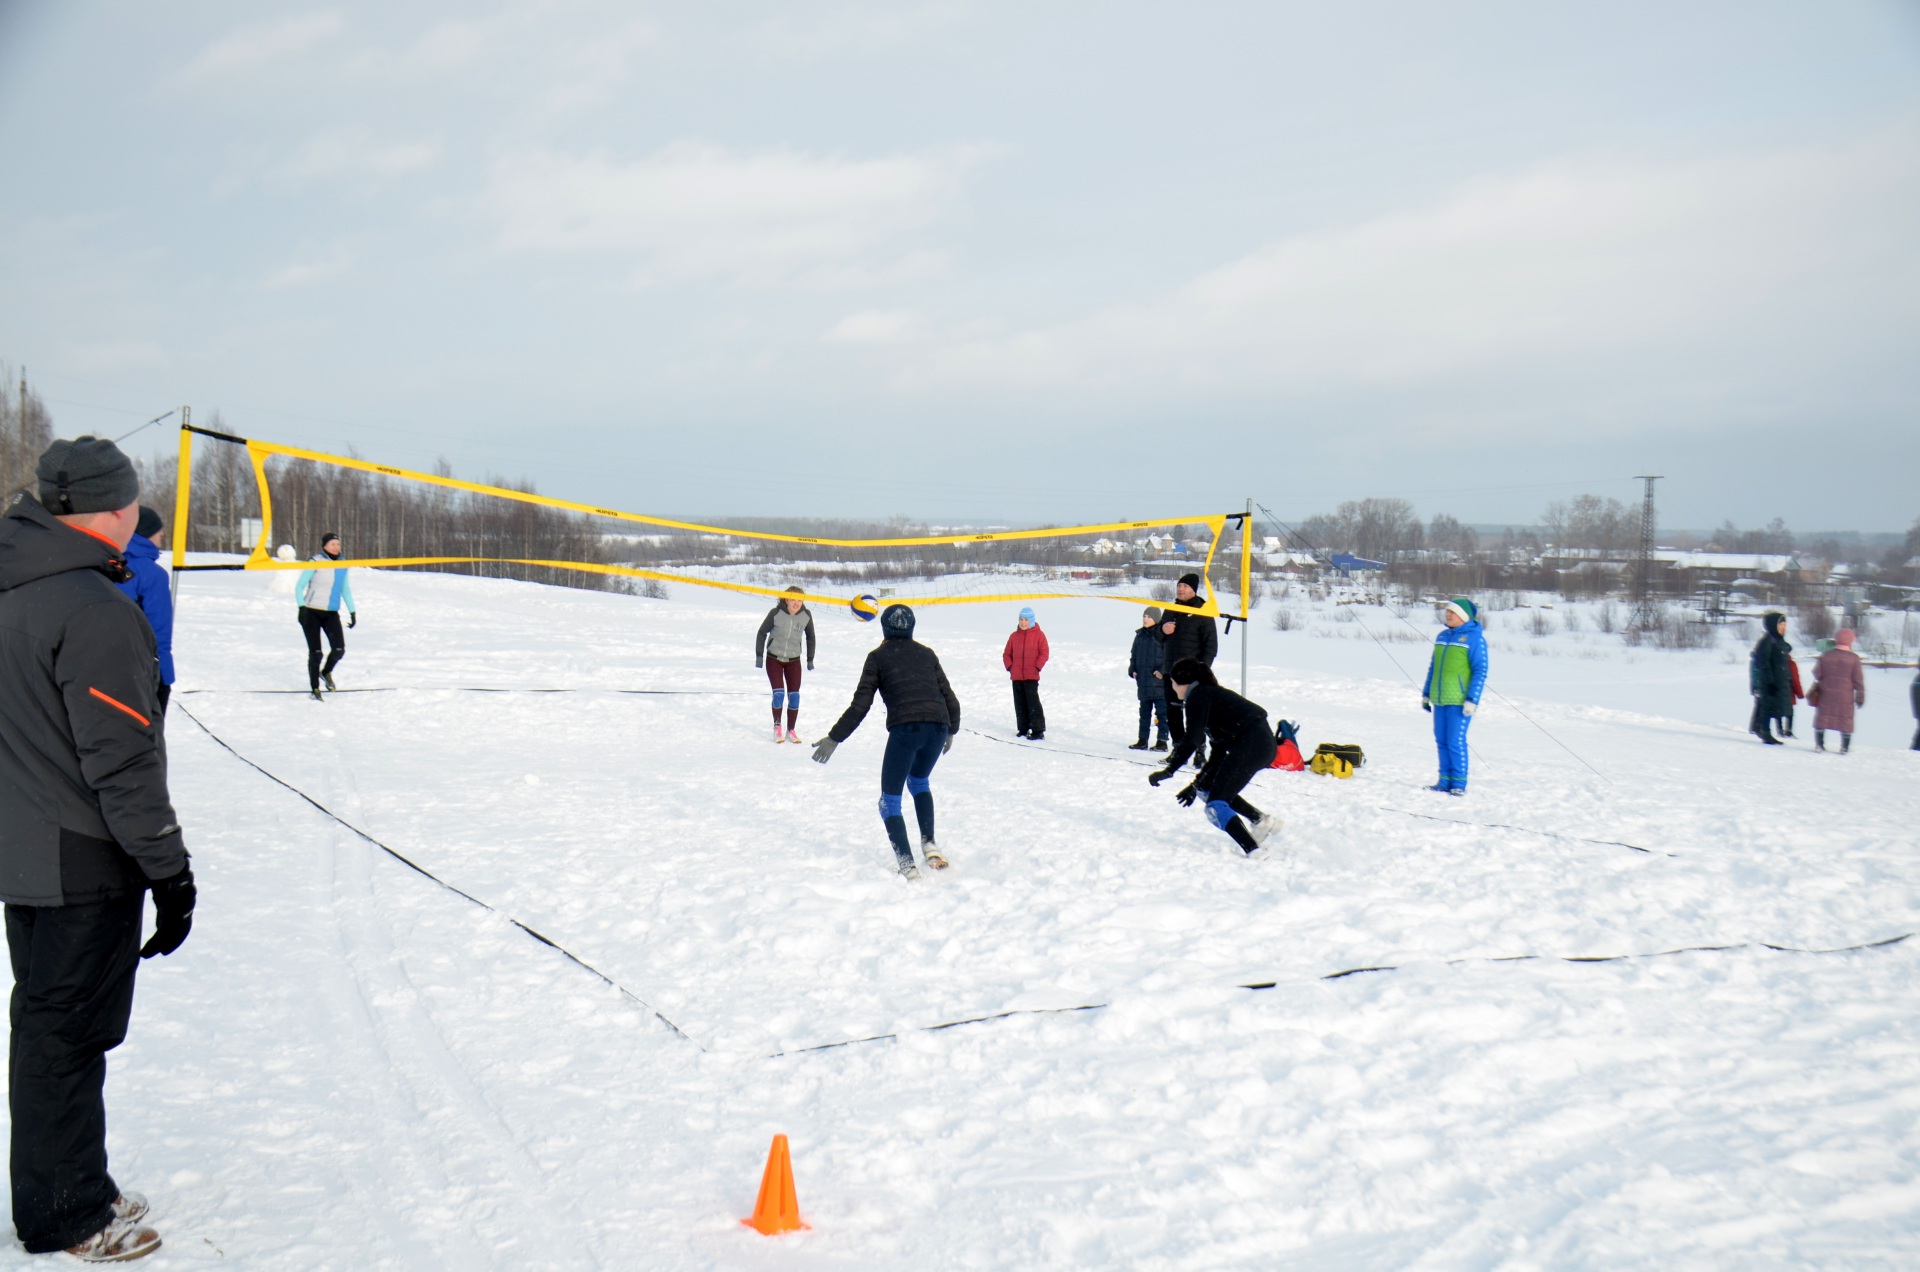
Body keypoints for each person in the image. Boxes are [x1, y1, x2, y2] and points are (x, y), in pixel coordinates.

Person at [0, 437, 194, 1263]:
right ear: (117, 509)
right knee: (64, 1035)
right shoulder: (92, 609)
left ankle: (80, 1181)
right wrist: (170, 871)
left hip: (25, 846)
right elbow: (121, 761)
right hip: (81, 855)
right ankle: (66, 1213)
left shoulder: (19, 580)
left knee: (52, 1024)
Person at [812, 604, 961, 879]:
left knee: (889, 802)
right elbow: (950, 697)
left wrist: (835, 737)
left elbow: (860, 705)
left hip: (907, 730)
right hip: (938, 727)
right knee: (919, 781)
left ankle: (908, 866)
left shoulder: (877, 657)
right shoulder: (927, 653)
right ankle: (929, 843)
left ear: (884, 629)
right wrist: (951, 730)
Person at [1147, 658, 1280, 858]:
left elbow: (1192, 739)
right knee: (1206, 788)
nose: (1172, 688)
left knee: (1216, 805)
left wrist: (1169, 770)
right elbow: (1217, 754)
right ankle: (1261, 821)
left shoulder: (1199, 696)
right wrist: (1195, 786)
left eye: (1172, 682)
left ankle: (1254, 851)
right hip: (1261, 746)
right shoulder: (1211, 697)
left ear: (1183, 682)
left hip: (1252, 745)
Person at [1422, 597, 1489, 794]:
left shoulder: (1474, 639)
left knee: (1455, 740)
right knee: (1441, 740)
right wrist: (1426, 693)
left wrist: (1472, 700)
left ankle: (1459, 783)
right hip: (1440, 698)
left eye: (1453, 612)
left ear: (1463, 616)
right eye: (1447, 611)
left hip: (1460, 701)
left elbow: (1480, 670)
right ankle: (1444, 781)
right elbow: (1433, 667)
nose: (1448, 614)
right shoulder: (1442, 636)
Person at [115, 506, 174, 717]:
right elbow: (159, 632)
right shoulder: (152, 574)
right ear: (145, 533)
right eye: (158, 529)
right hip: (144, 673)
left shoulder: (106, 562)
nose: (162, 534)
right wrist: (165, 678)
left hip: (104, 669)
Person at [1157, 573, 1218, 761]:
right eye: (1179, 586)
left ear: (1193, 590)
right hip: (1170, 671)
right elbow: (1157, 637)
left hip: (1192, 675)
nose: (1180, 589)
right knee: (1172, 712)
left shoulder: (1203, 612)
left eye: (1184, 586)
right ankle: (1178, 749)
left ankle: (1199, 750)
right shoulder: (1171, 609)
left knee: (1195, 714)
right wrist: (1162, 630)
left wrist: (1202, 670)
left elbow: (1211, 646)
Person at [295, 532, 356, 701]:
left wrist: (352, 611)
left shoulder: (343, 563)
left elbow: (345, 589)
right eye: (332, 544)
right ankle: (315, 688)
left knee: (339, 649)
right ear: (324, 546)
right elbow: (299, 586)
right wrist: (301, 607)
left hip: (331, 613)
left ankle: (326, 672)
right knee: (316, 653)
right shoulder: (315, 562)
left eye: (338, 544)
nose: (336, 547)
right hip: (311, 612)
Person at [754, 585, 816, 743]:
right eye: (793, 599)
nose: (796, 603)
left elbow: (811, 637)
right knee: (779, 694)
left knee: (794, 696)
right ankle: (777, 727)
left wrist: (810, 659)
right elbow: (761, 632)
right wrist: (759, 656)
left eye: (800, 600)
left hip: (793, 661)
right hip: (774, 659)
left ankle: (791, 730)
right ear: (786, 599)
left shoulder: (806, 615)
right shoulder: (775, 613)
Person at [1811, 628, 1867, 753]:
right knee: (1845, 719)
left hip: (1826, 693)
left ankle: (1819, 745)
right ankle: (1844, 747)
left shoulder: (1826, 655)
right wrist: (1860, 697)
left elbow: (1817, 674)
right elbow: (1858, 680)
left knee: (1823, 717)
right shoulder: (1854, 658)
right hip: (1845, 696)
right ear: (1850, 641)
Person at [1003, 606, 1049, 740]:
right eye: (1021, 619)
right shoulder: (1014, 636)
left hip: (1031, 676)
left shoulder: (1039, 635)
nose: (1023, 623)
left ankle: (1038, 730)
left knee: (1033, 703)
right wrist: (1010, 667)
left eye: (1026, 620)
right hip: (1017, 676)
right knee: (1020, 704)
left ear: (1032, 621)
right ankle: (1022, 728)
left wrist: (1037, 667)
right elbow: (1007, 654)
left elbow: (1044, 653)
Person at [1128, 606, 1169, 750]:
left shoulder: (1162, 635)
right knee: (1144, 713)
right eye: (1144, 616)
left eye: (1149, 617)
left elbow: (1170, 656)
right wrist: (1133, 669)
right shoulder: (1140, 635)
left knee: (1162, 714)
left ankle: (1162, 742)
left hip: (1158, 683)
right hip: (1144, 682)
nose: (1145, 619)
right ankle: (1142, 740)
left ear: (1156, 619)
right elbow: (1134, 655)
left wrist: (1161, 671)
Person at [1748, 612, 1792, 745]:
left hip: (1779, 681)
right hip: (1769, 682)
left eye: (1784, 625)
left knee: (1776, 707)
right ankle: (1765, 732)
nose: (1783, 627)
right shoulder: (1767, 641)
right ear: (1773, 625)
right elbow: (1764, 663)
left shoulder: (1778, 640)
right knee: (1767, 707)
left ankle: (1763, 730)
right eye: (1781, 625)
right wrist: (1770, 682)